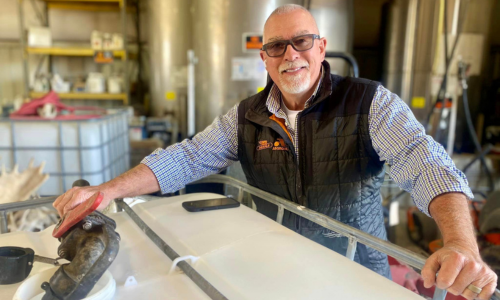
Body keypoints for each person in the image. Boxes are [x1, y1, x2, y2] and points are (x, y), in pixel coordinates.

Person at [54, 4, 497, 299]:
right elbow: (187, 157)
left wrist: (460, 242)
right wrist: (106, 191)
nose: (291, 55)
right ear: (264, 59)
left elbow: (427, 164)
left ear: (321, 48)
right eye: (276, 47)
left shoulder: (369, 103)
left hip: (354, 269)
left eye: (302, 42)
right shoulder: (245, 115)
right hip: (273, 263)